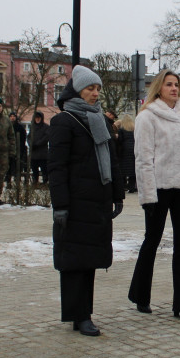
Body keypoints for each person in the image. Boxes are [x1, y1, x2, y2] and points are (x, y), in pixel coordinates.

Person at [48, 66, 124, 337]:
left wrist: (117, 194)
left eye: (98, 89)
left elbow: (111, 160)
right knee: (74, 260)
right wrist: (61, 205)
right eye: (90, 88)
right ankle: (79, 316)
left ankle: (84, 313)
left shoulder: (100, 120)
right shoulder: (63, 121)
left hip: (97, 201)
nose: (95, 93)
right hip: (75, 202)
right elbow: (56, 168)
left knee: (89, 258)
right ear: (77, 89)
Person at [127, 70, 180, 320]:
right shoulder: (147, 116)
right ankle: (140, 296)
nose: (174, 88)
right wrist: (147, 196)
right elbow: (143, 158)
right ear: (158, 87)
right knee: (152, 241)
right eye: (169, 84)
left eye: (177, 84)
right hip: (159, 188)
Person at [116, 114, 137, 193]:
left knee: (123, 169)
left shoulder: (121, 129)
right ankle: (132, 187)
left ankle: (123, 186)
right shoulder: (134, 128)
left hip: (124, 150)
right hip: (134, 149)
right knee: (132, 169)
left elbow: (120, 140)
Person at [7, 111, 27, 187]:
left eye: (13, 116)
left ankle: (17, 182)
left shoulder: (20, 127)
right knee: (8, 167)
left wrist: (20, 149)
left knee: (17, 167)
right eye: (11, 116)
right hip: (8, 150)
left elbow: (23, 139)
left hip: (18, 150)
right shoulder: (7, 126)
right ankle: (8, 182)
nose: (12, 118)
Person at [28, 111, 49, 184]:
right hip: (33, 153)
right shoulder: (32, 126)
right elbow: (29, 137)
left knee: (44, 169)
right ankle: (35, 182)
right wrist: (30, 144)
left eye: (39, 118)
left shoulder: (46, 127)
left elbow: (46, 138)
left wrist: (37, 144)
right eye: (36, 118)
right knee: (34, 169)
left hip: (42, 153)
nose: (37, 119)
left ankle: (45, 182)